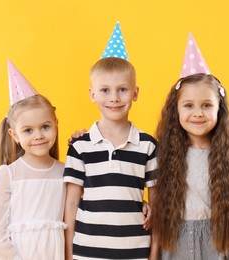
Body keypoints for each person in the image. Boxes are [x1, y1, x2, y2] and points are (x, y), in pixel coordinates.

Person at [150, 33, 229, 260]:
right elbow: (158, 213)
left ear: (219, 109)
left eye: (206, 105)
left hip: (219, 246)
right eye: (189, 105)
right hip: (175, 244)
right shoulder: (163, 157)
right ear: (176, 110)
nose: (198, 113)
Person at [63, 22, 158, 260]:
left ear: (135, 93)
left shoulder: (148, 146)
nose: (114, 98)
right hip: (87, 253)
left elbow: (158, 209)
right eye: (105, 90)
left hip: (135, 252)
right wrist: (67, 254)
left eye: (122, 90)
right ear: (92, 94)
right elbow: (71, 204)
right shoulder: (80, 146)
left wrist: (155, 254)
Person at [0, 60, 66, 260]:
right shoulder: (9, 174)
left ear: (55, 125)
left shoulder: (66, 171)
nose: (38, 135)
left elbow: (85, 210)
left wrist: (137, 205)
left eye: (45, 127)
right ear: (14, 135)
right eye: (28, 130)